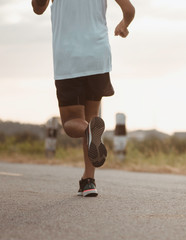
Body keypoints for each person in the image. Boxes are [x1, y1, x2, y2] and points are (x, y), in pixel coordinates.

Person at [32, 0, 135, 197]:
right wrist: (123, 25)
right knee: (91, 116)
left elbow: (38, 8)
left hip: (69, 57)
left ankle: (89, 131)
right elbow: (129, 10)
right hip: (98, 56)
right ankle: (89, 181)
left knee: (72, 121)